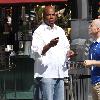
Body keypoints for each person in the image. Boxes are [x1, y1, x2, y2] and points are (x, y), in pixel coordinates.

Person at [31, 5, 74, 100]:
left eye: (53, 14)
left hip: (60, 72)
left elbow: (66, 47)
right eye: (48, 15)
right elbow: (35, 52)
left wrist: (69, 52)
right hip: (46, 74)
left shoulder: (60, 30)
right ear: (43, 16)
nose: (51, 17)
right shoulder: (38, 32)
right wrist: (49, 45)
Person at [83, 19, 100, 100]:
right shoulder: (92, 45)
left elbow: (92, 62)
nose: (89, 27)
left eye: (91, 26)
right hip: (94, 83)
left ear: (98, 29)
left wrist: (92, 62)